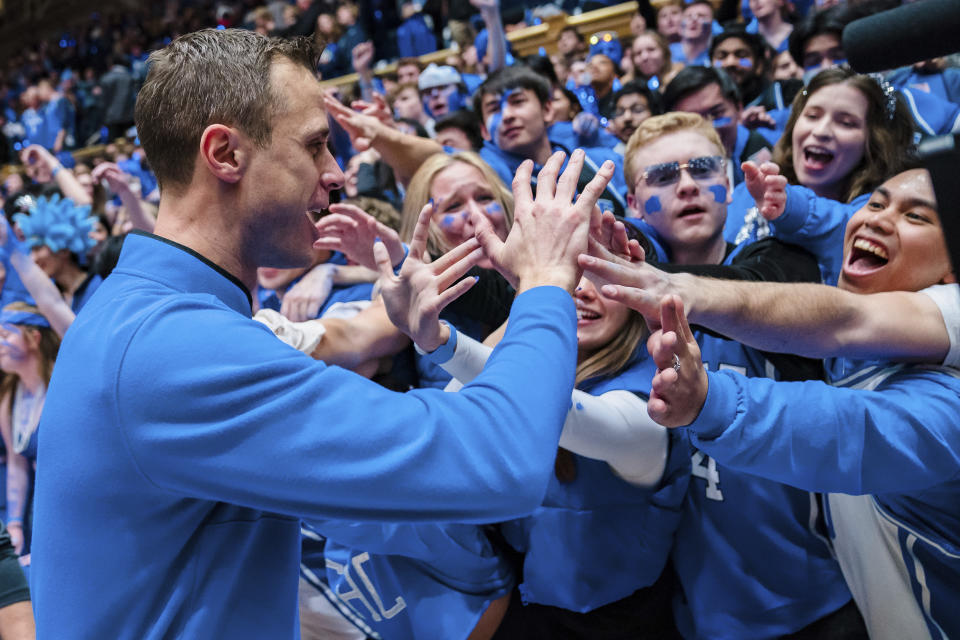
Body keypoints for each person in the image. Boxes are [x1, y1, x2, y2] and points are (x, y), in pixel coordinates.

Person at [30, 28, 616, 638]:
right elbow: (502, 460)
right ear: (225, 155)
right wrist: (546, 280)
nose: (337, 173)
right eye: (315, 146)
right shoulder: (172, 348)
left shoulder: (143, 316)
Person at [638, 167, 960, 639]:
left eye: (915, 216)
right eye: (874, 203)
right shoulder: (859, 300)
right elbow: (833, 227)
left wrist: (711, 399)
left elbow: (846, 429)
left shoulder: (944, 398)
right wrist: (793, 208)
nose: (876, 220)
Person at [618, 112, 861, 638]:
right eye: (662, 177)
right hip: (699, 610)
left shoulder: (783, 273)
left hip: (822, 593)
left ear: (728, 184)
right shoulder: (613, 311)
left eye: (703, 169)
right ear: (633, 204)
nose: (686, 185)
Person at [727, 67, 914, 250]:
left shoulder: (880, 213)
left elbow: (847, 225)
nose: (821, 131)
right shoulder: (748, 192)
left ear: (875, 141)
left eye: (846, 123)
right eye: (812, 116)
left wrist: (788, 205)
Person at [0, 302, 59, 561]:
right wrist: (13, 523)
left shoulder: (62, 386)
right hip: (36, 503)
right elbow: (16, 463)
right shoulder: (9, 397)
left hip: (63, 502)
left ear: (34, 338)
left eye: (5, 335)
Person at [663, 66, 773, 188]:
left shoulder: (763, 152)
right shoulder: (666, 167)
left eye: (716, 114)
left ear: (738, 107)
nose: (709, 128)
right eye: (693, 120)